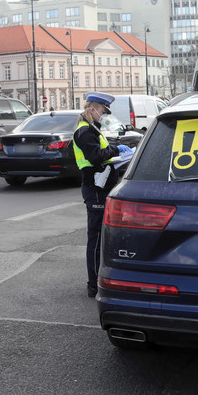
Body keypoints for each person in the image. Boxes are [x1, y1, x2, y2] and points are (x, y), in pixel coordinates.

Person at [72, 92, 132, 298]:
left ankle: (99, 280)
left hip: (101, 187)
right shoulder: (85, 131)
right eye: (102, 111)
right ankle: (93, 284)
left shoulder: (92, 129)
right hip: (95, 189)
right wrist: (117, 152)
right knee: (96, 239)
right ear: (93, 109)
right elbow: (96, 156)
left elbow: (101, 151)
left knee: (102, 237)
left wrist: (115, 150)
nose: (103, 115)